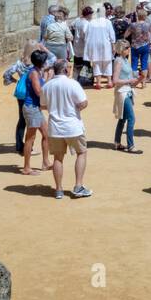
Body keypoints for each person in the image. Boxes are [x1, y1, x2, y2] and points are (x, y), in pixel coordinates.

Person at [41, 59, 92, 199]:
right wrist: (75, 108)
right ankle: (78, 185)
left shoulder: (47, 86)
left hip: (55, 127)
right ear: (65, 70)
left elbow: (43, 105)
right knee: (81, 152)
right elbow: (83, 103)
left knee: (58, 158)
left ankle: (58, 190)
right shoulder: (72, 84)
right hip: (72, 127)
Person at [18, 50, 52, 175]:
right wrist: (48, 81)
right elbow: (39, 92)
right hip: (31, 108)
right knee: (30, 138)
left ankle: (45, 163)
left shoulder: (36, 71)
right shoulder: (34, 74)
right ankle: (26, 168)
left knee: (46, 134)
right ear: (41, 62)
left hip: (34, 108)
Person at [111, 39, 144, 154]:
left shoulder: (124, 60)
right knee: (131, 118)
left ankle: (117, 142)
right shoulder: (119, 61)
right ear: (121, 49)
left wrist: (138, 79)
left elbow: (128, 79)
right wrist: (129, 80)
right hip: (122, 93)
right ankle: (130, 146)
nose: (129, 49)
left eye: (129, 47)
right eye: (126, 47)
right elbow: (115, 80)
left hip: (127, 91)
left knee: (123, 118)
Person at [83, 5, 116, 88]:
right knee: (108, 62)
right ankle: (109, 82)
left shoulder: (92, 22)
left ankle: (98, 83)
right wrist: (113, 46)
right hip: (106, 44)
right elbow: (112, 35)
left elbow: (87, 35)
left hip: (94, 45)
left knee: (96, 62)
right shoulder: (107, 22)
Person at [125, 10, 151, 82]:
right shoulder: (148, 25)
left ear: (138, 16)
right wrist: (150, 43)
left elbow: (126, 35)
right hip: (145, 45)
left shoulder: (133, 25)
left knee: (134, 64)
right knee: (144, 64)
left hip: (135, 46)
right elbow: (149, 35)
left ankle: (134, 81)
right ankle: (143, 82)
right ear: (145, 16)